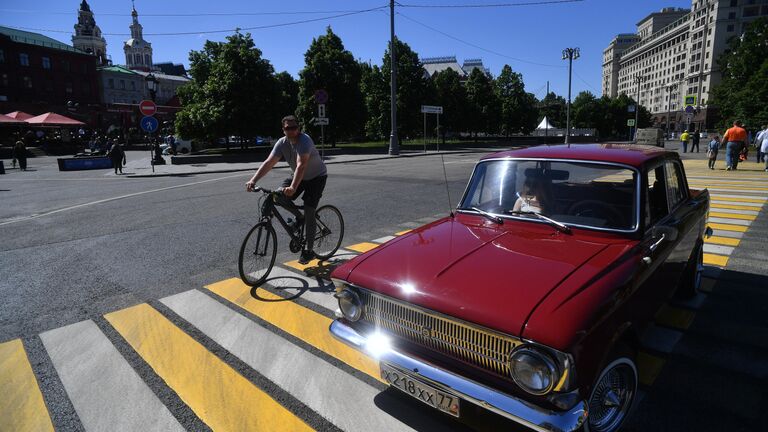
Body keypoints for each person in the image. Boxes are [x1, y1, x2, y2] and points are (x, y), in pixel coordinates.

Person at [246, 115, 328, 265]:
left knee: (310, 210)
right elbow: (269, 162)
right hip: (299, 176)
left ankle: (309, 251)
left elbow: (301, 165)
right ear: (283, 130)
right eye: (287, 128)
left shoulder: (304, 140)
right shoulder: (282, 143)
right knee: (277, 196)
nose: (291, 131)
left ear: (299, 128)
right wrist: (253, 180)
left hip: (317, 177)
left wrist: (293, 187)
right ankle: (299, 217)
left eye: (294, 127)